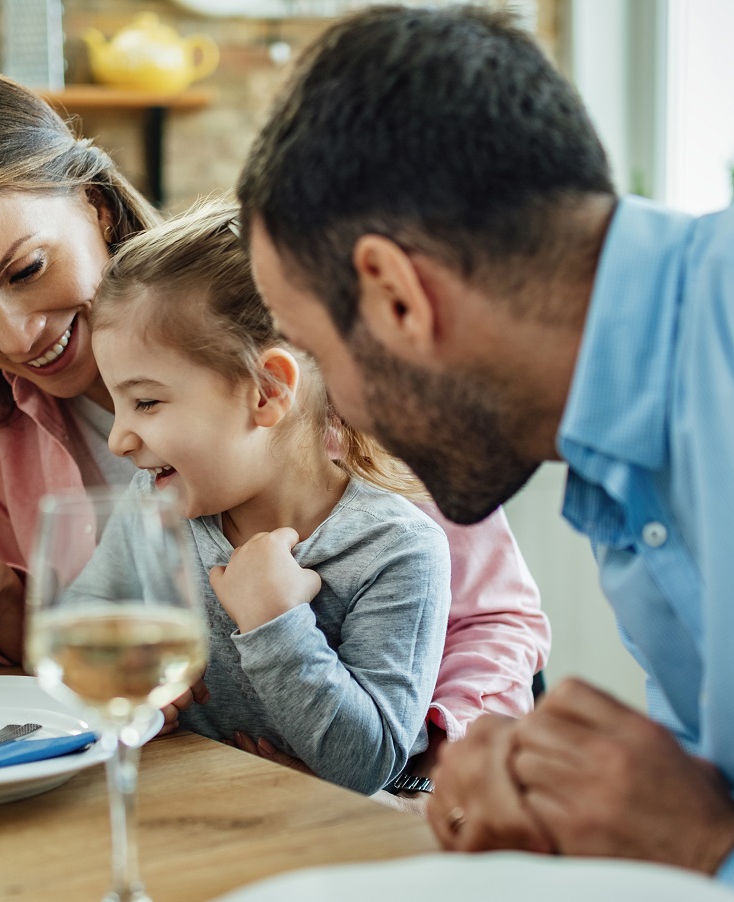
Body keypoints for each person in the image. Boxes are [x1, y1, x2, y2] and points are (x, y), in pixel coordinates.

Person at [236, 6, 734, 900]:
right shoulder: (617, 460)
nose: (327, 408)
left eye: (312, 353)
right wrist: (583, 809)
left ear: (398, 297)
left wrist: (716, 856)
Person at [0, 62, 549, 773]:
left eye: (27, 269)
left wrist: (419, 784)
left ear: (94, 205)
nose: (13, 334)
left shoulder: (329, 356)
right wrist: (3, 595)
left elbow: (495, 623)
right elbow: (93, 661)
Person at [66, 200, 449, 794]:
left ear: (266, 392)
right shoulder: (155, 504)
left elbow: (368, 764)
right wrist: (120, 675)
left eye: (146, 402)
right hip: (195, 813)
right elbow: (83, 618)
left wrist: (276, 622)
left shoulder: (396, 550)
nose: (118, 438)